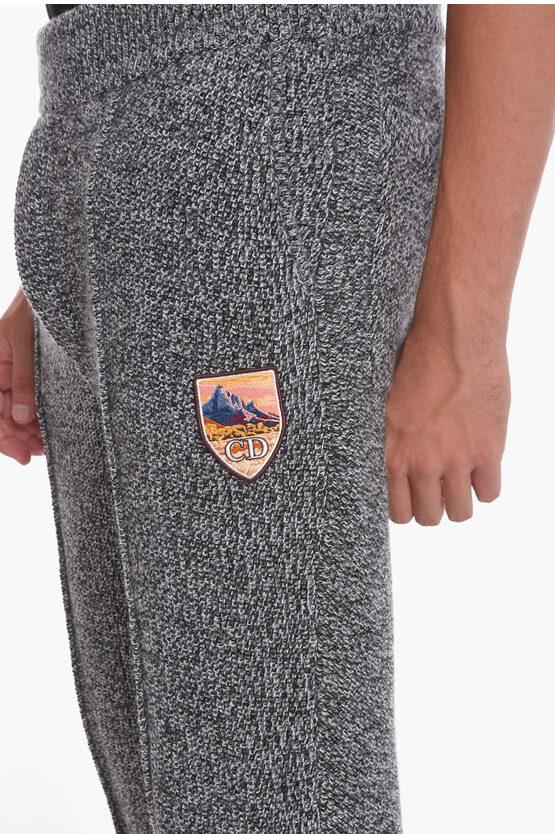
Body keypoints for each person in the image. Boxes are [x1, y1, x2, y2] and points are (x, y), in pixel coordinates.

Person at [1, 5, 553, 833]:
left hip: (256, 166)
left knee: (270, 783)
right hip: (108, 151)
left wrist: (463, 336)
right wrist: (61, 283)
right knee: (172, 785)